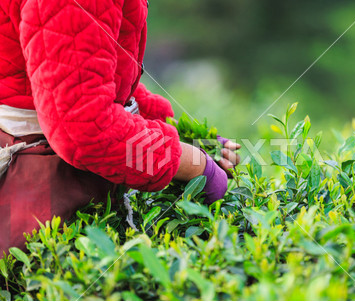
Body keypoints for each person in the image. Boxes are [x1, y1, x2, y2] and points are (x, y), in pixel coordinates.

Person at [0, 0, 240, 254]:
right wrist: (190, 162)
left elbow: (92, 75)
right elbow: (84, 129)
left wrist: (186, 136)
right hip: (37, 198)